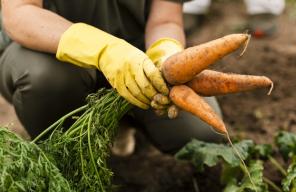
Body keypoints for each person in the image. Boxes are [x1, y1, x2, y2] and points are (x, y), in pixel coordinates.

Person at [0, 0, 222, 153]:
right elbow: (21, 12)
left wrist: (163, 58)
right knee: (46, 79)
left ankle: (120, 124)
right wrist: (103, 49)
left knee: (201, 133)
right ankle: (63, 158)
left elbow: (166, 20)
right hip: (50, 54)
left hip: (137, 57)